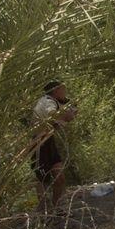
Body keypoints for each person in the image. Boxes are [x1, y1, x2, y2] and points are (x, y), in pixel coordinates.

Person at [31, 80, 78, 216]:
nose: (65, 92)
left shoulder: (56, 102)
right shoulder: (48, 101)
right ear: (55, 91)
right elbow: (52, 114)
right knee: (43, 179)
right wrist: (66, 115)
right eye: (63, 89)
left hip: (49, 140)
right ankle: (43, 213)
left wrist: (71, 112)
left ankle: (56, 208)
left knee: (59, 176)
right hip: (39, 142)